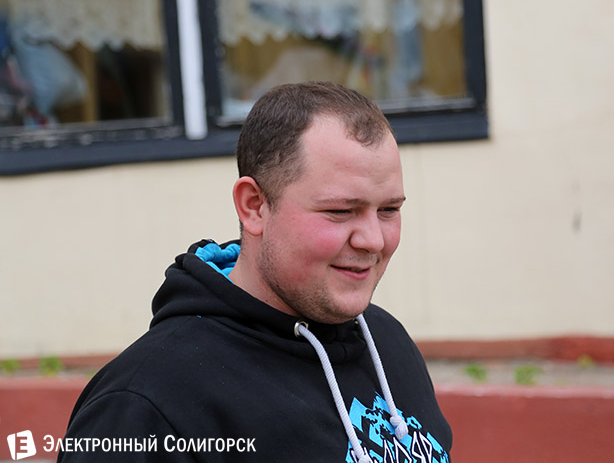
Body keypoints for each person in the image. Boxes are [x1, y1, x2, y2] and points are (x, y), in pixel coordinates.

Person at [59, 82, 452, 462]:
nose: (373, 240)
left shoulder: (386, 340)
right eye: (340, 211)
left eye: (389, 210)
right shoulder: (144, 405)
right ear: (254, 206)